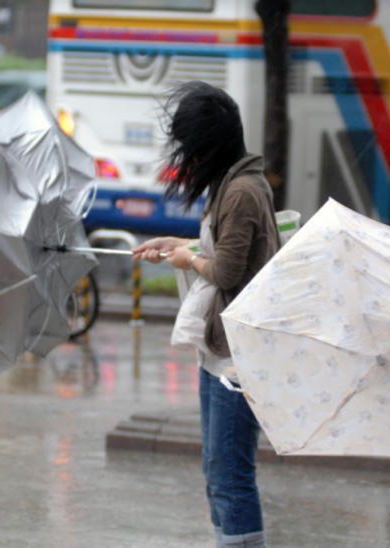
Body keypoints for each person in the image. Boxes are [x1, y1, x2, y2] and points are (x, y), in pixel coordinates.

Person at [133, 81, 279, 548]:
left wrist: (188, 261)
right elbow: (226, 251)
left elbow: (229, 269)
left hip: (239, 358)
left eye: (191, 147)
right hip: (220, 351)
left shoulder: (240, 191)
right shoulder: (233, 183)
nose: (187, 159)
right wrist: (178, 246)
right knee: (217, 471)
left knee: (231, 475)